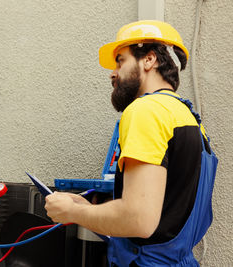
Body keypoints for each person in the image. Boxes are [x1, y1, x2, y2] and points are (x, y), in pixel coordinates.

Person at [44, 20, 218, 266]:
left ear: (149, 60)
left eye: (120, 61)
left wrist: (73, 212)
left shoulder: (146, 110)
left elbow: (139, 220)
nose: (112, 73)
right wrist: (90, 209)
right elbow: (166, 216)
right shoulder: (189, 119)